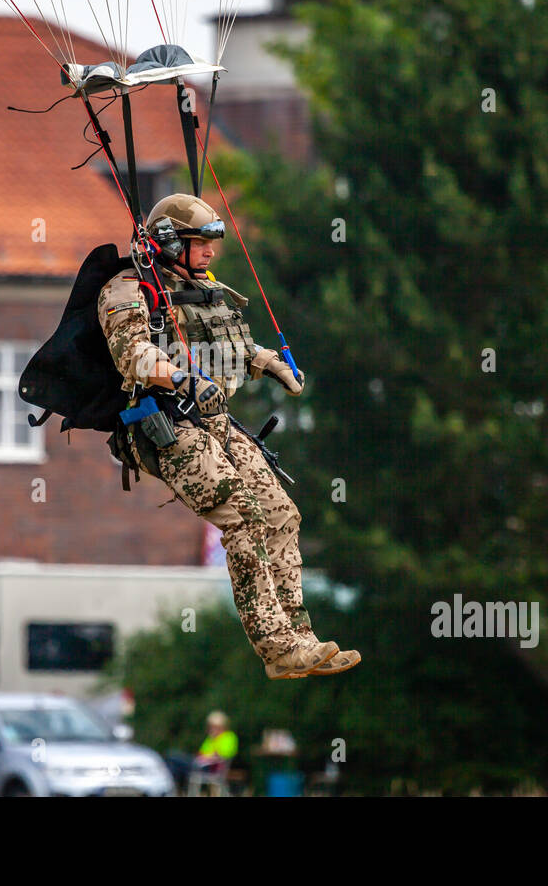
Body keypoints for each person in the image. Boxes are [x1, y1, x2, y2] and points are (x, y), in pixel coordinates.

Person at [96, 193, 360, 681]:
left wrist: (269, 363)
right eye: (200, 244)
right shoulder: (127, 290)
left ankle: (300, 638)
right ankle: (276, 647)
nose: (210, 253)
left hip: (217, 424)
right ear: (171, 241)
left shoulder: (205, 288)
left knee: (282, 513)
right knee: (242, 513)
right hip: (166, 425)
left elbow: (231, 349)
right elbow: (131, 353)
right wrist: (180, 378)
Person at [188, 710, 238, 795]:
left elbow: (224, 754)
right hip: (201, 764)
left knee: (175, 759)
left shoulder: (229, 737)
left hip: (213, 768)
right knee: (174, 758)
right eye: (210, 727)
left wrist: (211, 754)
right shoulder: (210, 739)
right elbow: (201, 753)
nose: (211, 729)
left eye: (214, 727)